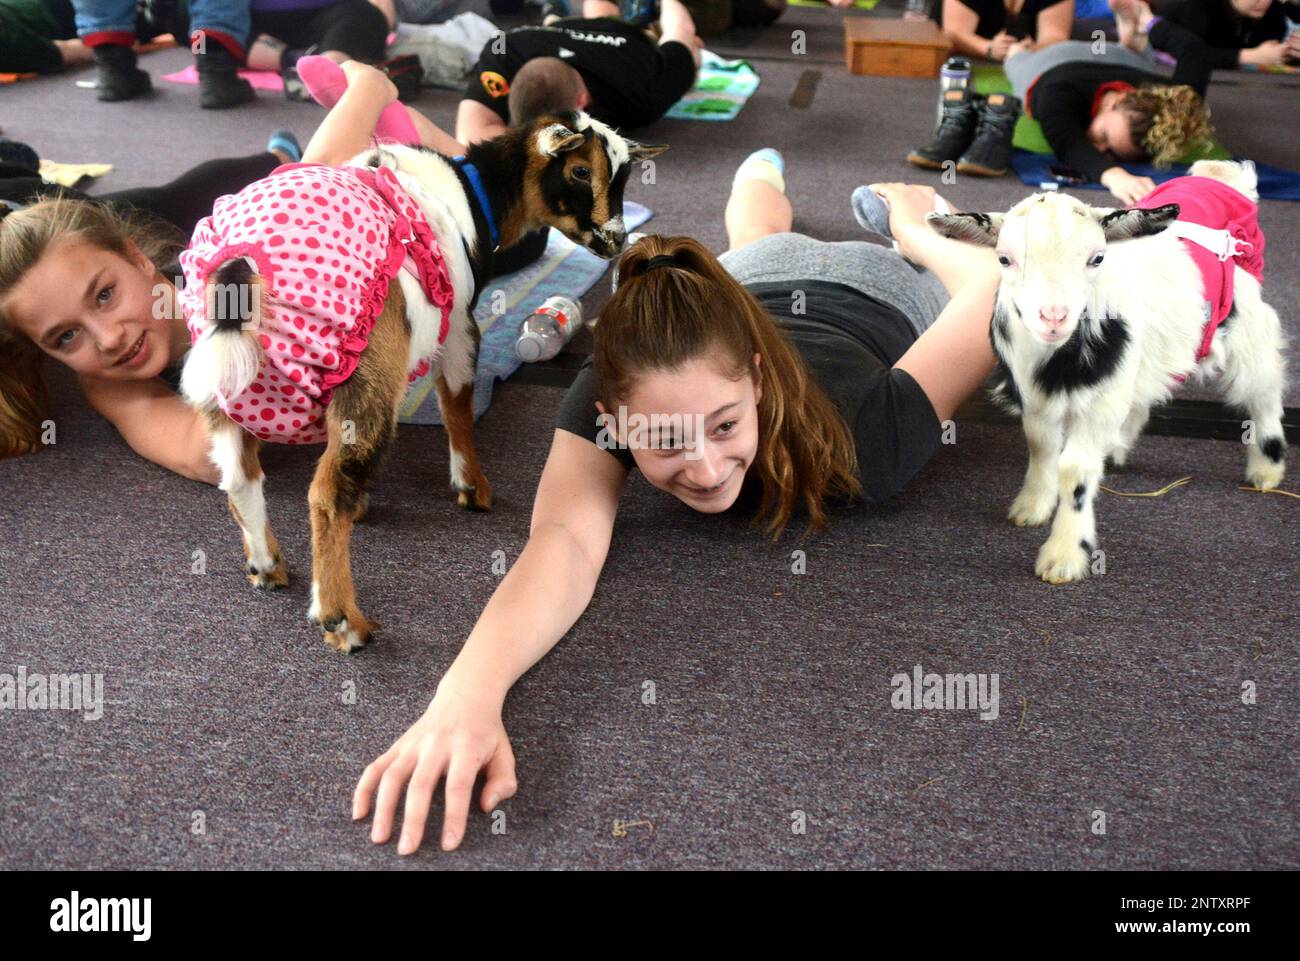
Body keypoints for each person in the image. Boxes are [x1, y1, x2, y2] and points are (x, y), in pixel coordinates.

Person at [349, 150, 1006, 855]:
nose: (705, 468)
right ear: (615, 418)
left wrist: (919, 237)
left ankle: (902, 216)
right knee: (752, 244)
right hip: (748, 281)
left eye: (726, 424)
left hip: (888, 286)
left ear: (755, 380)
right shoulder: (618, 388)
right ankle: (758, 179)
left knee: (945, 252)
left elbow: (994, 288)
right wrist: (464, 696)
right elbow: (564, 541)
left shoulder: (859, 436)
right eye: (663, 438)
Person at [0, 63, 482, 470]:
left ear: (136, 258)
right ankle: (389, 133)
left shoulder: (225, 285)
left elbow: (313, 187)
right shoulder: (107, 382)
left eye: (105, 295)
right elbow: (206, 456)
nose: (107, 339)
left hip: (399, 232)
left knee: (486, 214)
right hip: (385, 245)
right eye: (66, 337)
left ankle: (373, 91)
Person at [991, 1, 1217, 203]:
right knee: (1014, 60)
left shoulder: (1173, 101)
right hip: (1050, 63)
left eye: (1112, 153)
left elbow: (1195, 51)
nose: (1097, 148)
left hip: (1121, 60)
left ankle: (1133, 43)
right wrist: (1114, 176)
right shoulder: (1058, 93)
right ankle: (1132, 40)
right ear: (1117, 100)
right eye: (1104, 137)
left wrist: (1151, 23)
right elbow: (1068, 144)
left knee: (1144, 64)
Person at [456, 0, 701, 144]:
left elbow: (681, 33)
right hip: (554, 33)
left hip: (629, 42)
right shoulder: (503, 51)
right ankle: (553, 13)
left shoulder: (641, 94)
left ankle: (651, 10)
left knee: (694, 52)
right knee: (604, 19)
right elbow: (471, 137)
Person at [1145, 0, 1297, 67]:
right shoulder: (1200, 8)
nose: (1262, 2)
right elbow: (1192, 53)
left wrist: (1289, 52)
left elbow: (1268, 54)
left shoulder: (1273, 14)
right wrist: (1249, 56)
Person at [934, 0, 1075, 62]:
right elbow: (954, 32)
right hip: (959, 59)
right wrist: (989, 48)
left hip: (1023, 63)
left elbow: (1056, 36)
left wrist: (1033, 50)